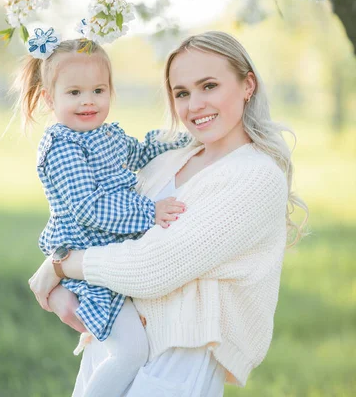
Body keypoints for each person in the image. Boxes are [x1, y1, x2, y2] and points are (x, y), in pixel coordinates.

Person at [29, 31, 308, 397]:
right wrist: (64, 283)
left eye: (209, 86)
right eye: (182, 93)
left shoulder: (254, 177)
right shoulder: (172, 159)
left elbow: (152, 269)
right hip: (111, 349)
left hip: (175, 364)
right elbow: (102, 225)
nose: (195, 105)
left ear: (247, 85)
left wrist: (59, 266)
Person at [15, 28, 189, 396]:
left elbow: (140, 153)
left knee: (128, 347)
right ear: (49, 98)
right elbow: (89, 206)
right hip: (86, 263)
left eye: (98, 90)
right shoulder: (62, 146)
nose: (88, 101)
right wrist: (149, 211)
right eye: (74, 93)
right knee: (130, 351)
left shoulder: (105, 135)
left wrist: (184, 137)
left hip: (106, 259)